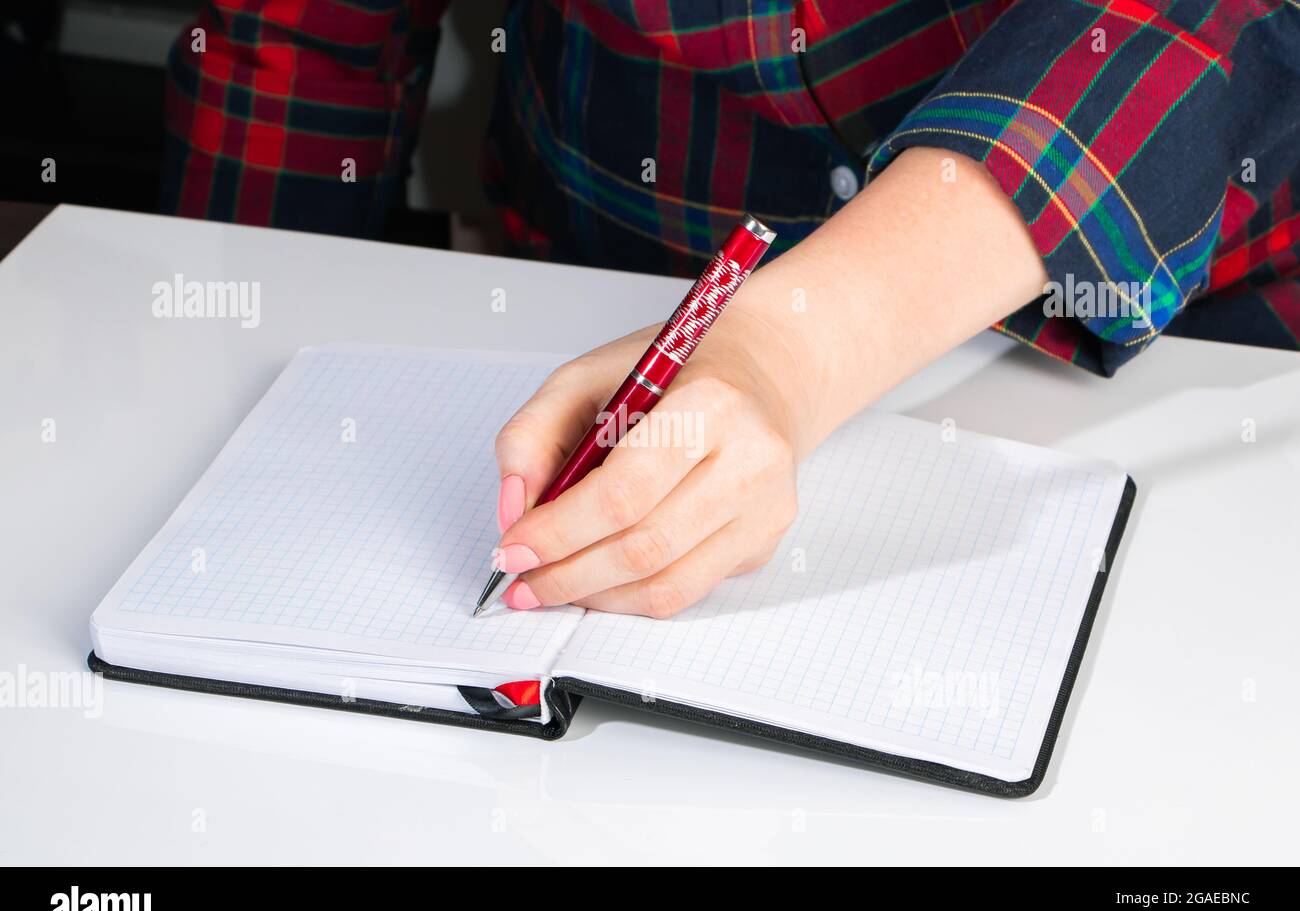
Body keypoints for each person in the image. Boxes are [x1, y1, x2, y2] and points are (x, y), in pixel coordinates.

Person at [162, 1, 1299, 617]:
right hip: (599, 273)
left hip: (1164, 332)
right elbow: (300, 35)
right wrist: (227, 357)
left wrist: (789, 343)